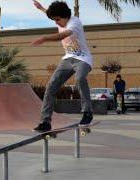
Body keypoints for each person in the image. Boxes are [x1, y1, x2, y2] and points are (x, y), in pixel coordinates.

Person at [32, 0, 94, 132]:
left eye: (58, 20)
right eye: (54, 20)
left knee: (80, 78)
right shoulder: (60, 18)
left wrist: (44, 38)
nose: (56, 23)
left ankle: (87, 112)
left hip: (82, 59)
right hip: (67, 59)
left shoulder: (74, 22)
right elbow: (50, 14)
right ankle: (45, 122)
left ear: (66, 16)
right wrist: (41, 8)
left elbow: (64, 34)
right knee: (50, 87)